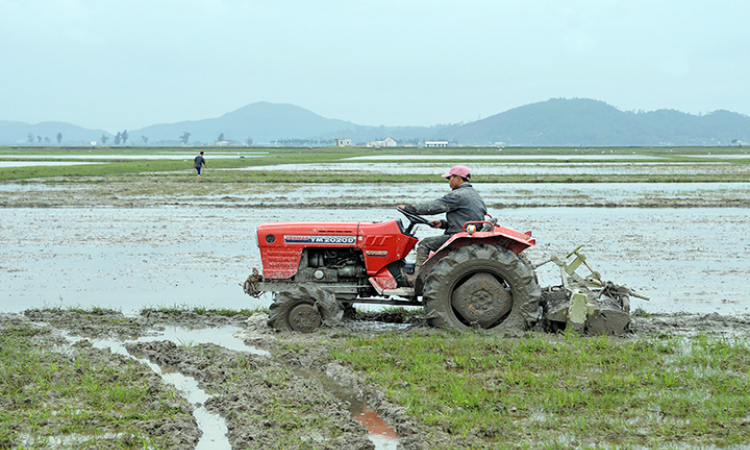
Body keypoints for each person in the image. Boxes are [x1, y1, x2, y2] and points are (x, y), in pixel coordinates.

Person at [397, 164, 487, 285]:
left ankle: (415, 279)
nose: (449, 182)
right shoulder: (474, 194)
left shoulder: (458, 195)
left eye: (450, 178)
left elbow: (432, 208)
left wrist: (408, 208)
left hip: (459, 236)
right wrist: (443, 224)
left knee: (425, 244)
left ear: (457, 178)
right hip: (466, 232)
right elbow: (467, 218)